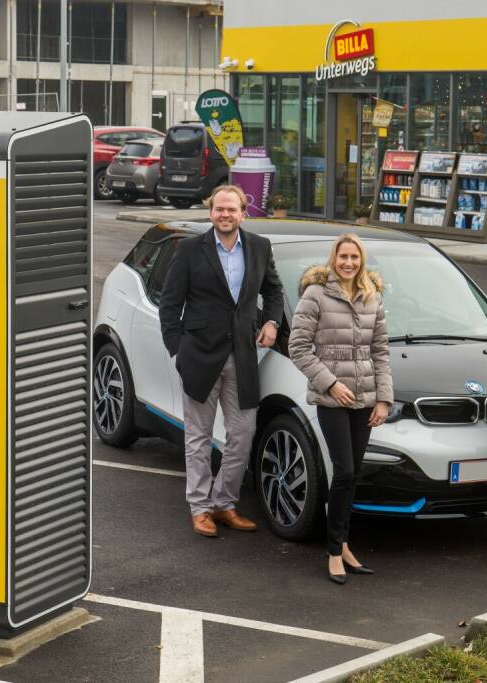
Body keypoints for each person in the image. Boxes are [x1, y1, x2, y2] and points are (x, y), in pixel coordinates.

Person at [159, 184, 285, 538]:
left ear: (244, 212)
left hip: (243, 355)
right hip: (198, 356)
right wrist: (177, 351)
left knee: (243, 433)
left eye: (232, 209)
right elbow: (170, 305)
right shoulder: (189, 250)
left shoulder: (259, 247)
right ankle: (200, 508)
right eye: (219, 209)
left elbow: (273, 290)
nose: (225, 215)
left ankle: (224, 503)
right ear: (210, 211)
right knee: (198, 436)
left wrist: (272, 321)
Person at [288, 233, 392, 585]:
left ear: (362, 261)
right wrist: (330, 383)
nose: (349, 263)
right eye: (343, 256)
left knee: (354, 474)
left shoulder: (371, 297)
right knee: (344, 471)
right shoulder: (315, 295)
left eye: (355, 257)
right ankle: (334, 551)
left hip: (364, 399)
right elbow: (298, 348)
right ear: (334, 259)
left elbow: (380, 352)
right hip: (333, 398)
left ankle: (344, 543)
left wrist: (383, 399)